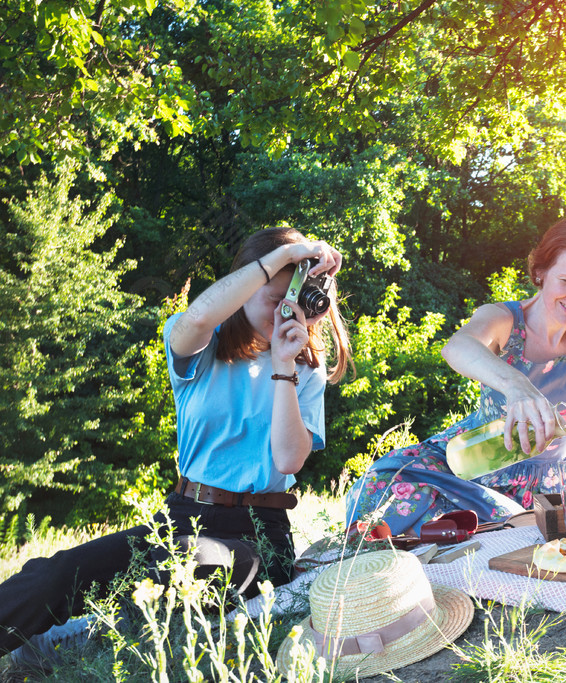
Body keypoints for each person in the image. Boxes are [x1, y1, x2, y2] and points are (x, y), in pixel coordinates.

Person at [0, 226, 351, 658]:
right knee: (56, 575)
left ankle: (88, 649)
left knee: (185, 562)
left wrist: (283, 366)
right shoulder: (202, 346)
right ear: (245, 285)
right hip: (182, 514)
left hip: (259, 532)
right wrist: (290, 254)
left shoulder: (305, 370)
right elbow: (200, 317)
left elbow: (287, 459)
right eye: (274, 296)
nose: (285, 310)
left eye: (293, 299)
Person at [344, 216, 566, 536]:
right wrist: (517, 386)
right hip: (476, 463)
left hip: (552, 479)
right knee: (379, 489)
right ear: (540, 272)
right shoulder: (503, 318)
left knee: (514, 530)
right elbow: (457, 347)